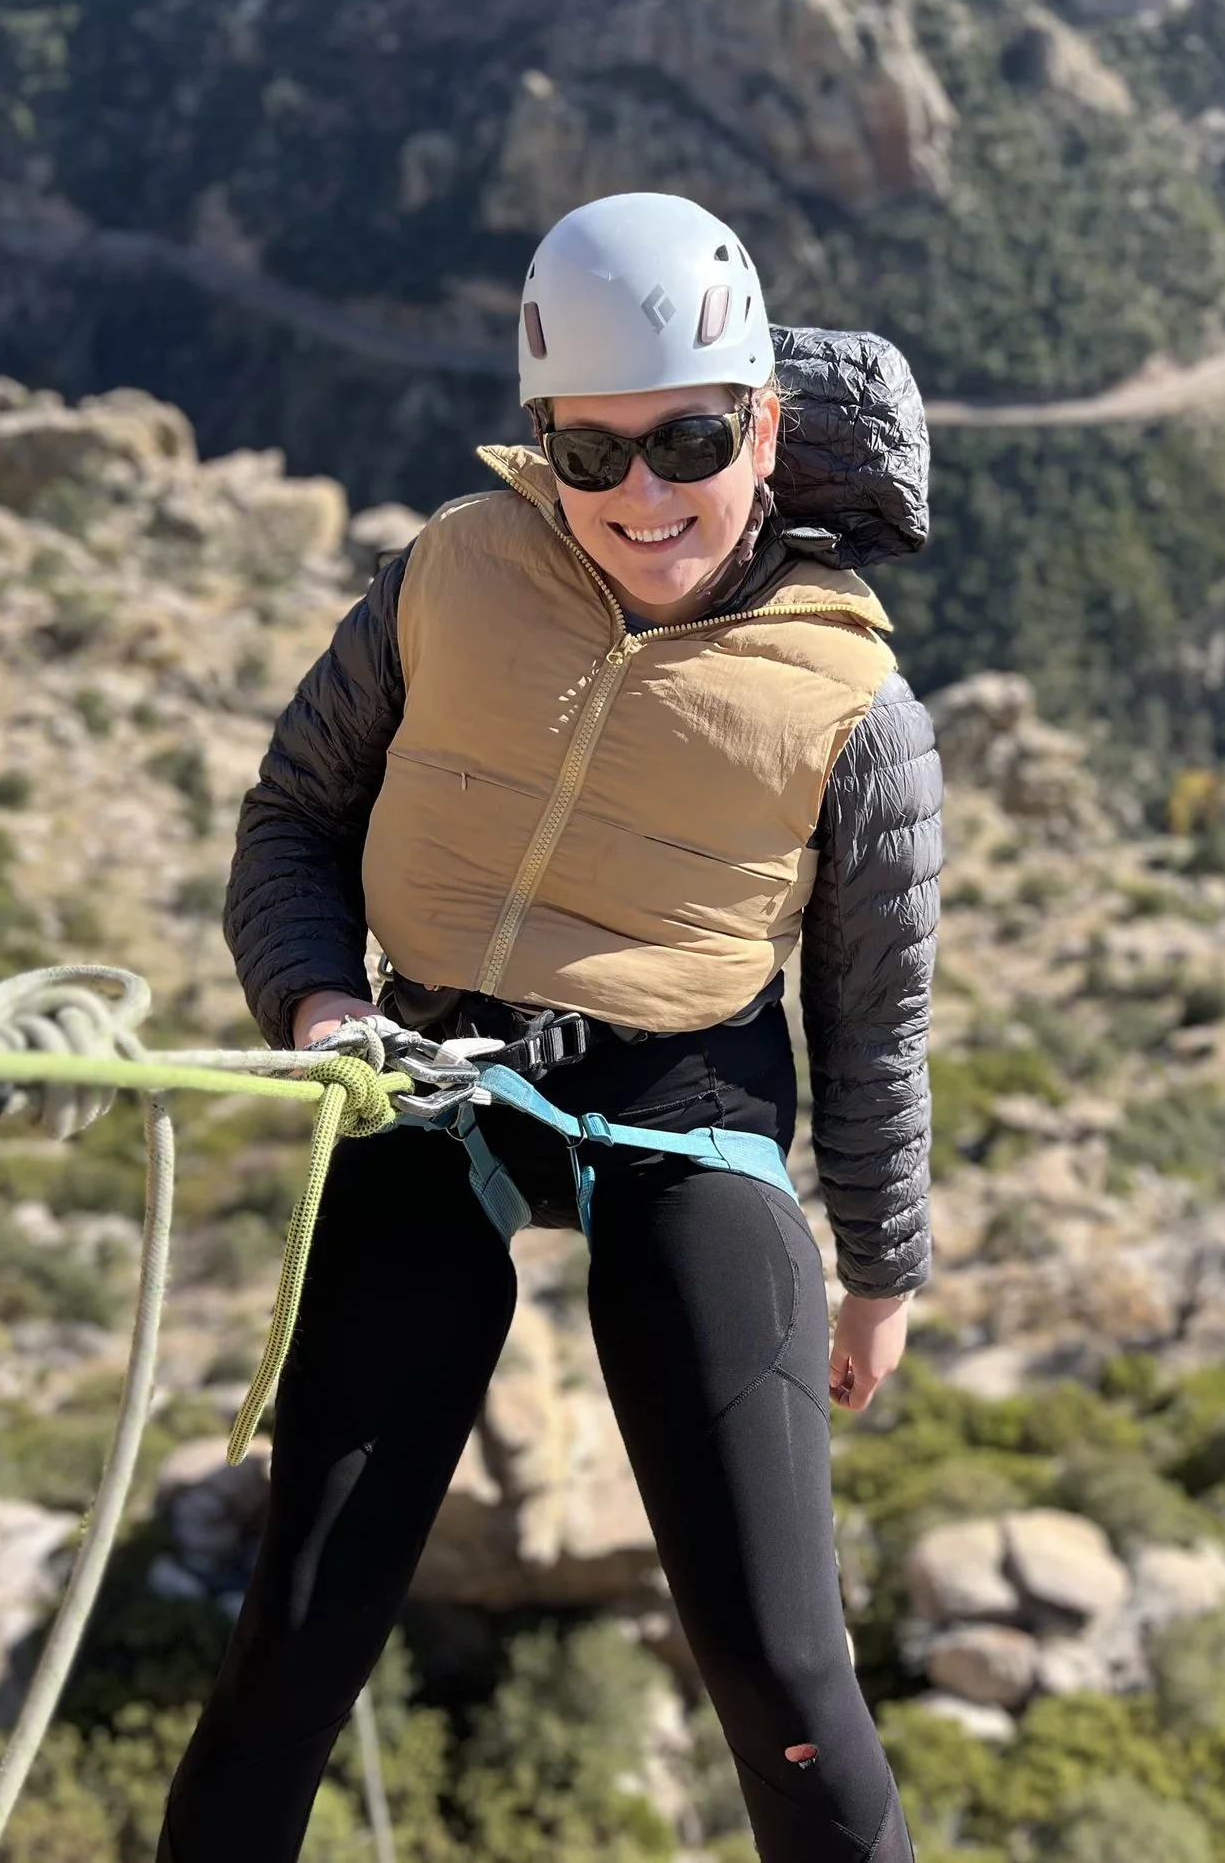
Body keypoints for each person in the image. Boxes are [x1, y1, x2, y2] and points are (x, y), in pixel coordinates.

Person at [159, 191, 940, 1862]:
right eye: (589, 457)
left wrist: (879, 1267)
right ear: (541, 445)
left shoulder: (858, 708)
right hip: (429, 1071)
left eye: (689, 441)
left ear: (767, 427)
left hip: (689, 1097)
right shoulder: (452, 572)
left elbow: (873, 1018)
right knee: (298, 1624)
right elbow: (294, 818)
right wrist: (314, 999)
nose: (642, 496)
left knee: (781, 1665)